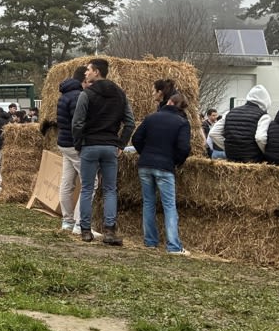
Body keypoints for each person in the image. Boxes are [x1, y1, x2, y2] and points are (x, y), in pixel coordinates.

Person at [71, 58, 135, 246]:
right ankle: (109, 230)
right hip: (110, 146)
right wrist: (121, 144)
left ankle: (85, 230)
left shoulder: (87, 94)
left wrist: (79, 143)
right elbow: (130, 122)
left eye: (89, 70)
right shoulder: (120, 94)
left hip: (90, 145)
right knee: (110, 190)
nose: (86, 73)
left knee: (87, 188)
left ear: (97, 72)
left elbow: (77, 123)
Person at [131, 91, 191, 255]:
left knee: (148, 203)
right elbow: (185, 148)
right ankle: (173, 246)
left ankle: (150, 241)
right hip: (165, 167)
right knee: (169, 206)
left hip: (145, 165)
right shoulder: (182, 123)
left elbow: (136, 138)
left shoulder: (151, 117)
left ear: (169, 102)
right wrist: (175, 161)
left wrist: (144, 153)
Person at [55, 66, 87, 230]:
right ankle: (80, 222)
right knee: (90, 183)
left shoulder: (65, 94)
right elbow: (78, 123)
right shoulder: (78, 96)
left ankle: (67, 221)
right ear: (84, 79)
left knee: (67, 182)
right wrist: (82, 143)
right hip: (74, 145)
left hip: (64, 143)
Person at [208, 85, 271, 163]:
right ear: (266, 101)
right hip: (253, 160)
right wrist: (265, 153)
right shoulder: (263, 116)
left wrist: (228, 147)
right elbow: (260, 138)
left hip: (232, 159)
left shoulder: (229, 113)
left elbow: (213, 133)